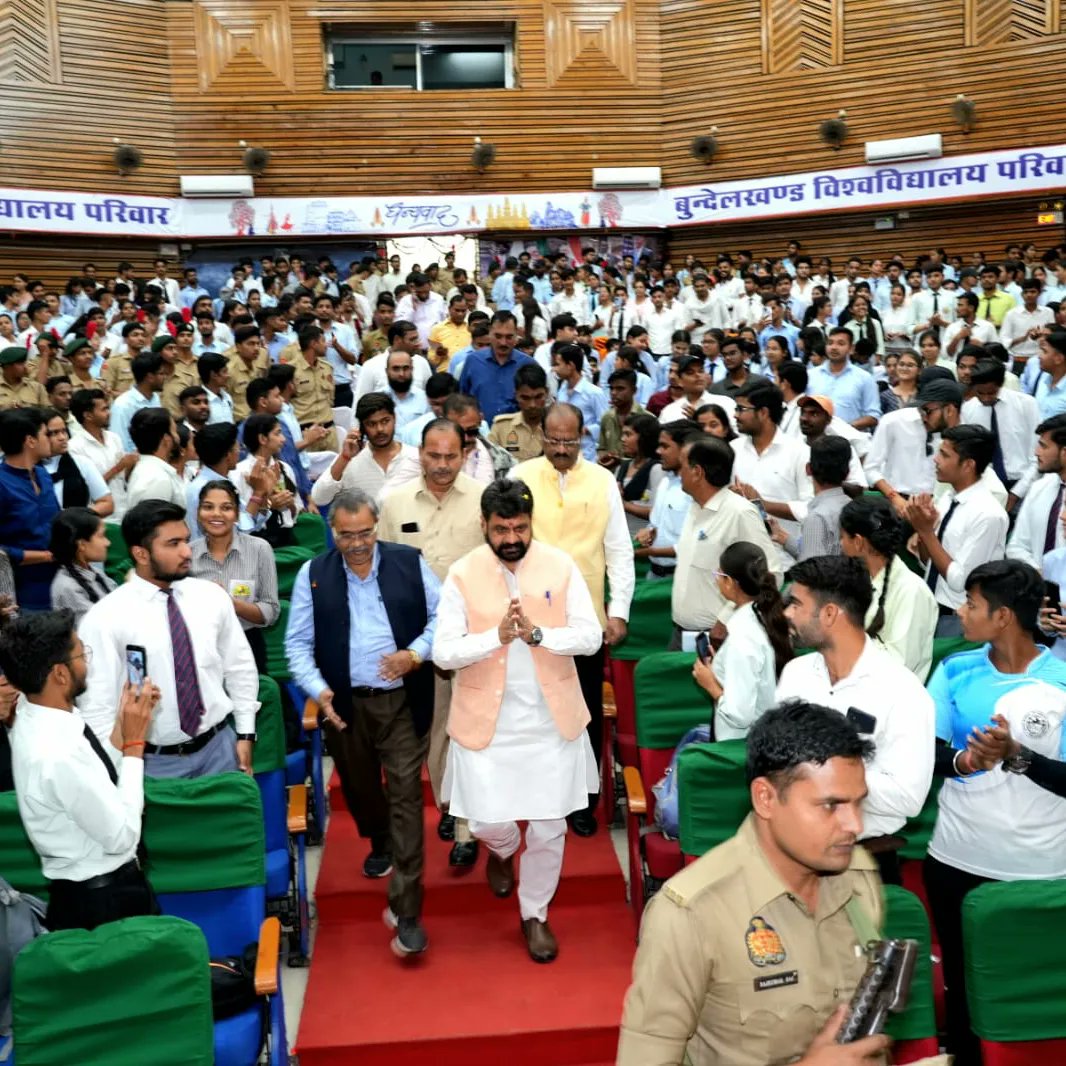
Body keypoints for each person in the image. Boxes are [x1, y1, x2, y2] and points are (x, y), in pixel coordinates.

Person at [617, 701, 888, 1066]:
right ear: (765, 798)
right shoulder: (690, 915)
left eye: (859, 804)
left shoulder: (858, 877)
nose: (855, 825)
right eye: (830, 805)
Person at [433, 479, 601, 962]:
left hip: (552, 722)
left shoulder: (560, 564)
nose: (512, 538)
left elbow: (590, 638)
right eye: (501, 528)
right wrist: (497, 637)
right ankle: (504, 851)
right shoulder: (463, 573)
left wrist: (539, 634)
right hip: (487, 723)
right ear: (483, 525)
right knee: (488, 821)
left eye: (520, 527)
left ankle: (535, 914)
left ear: (532, 524)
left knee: (550, 827)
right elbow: (444, 652)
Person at [285, 490, 440, 957]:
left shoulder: (409, 563)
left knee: (407, 799)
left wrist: (415, 655)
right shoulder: (313, 575)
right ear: (331, 532)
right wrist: (319, 690)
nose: (356, 544)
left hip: (401, 703)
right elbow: (296, 645)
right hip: (344, 708)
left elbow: (443, 616)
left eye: (365, 533)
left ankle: (408, 911)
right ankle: (380, 839)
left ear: (378, 527)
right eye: (346, 535)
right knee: (360, 790)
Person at [925, 559, 1066, 1065]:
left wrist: (1017, 758)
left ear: (1003, 616)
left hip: (1044, 870)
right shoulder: (954, 669)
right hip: (958, 860)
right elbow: (923, 751)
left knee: (1041, 997)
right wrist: (968, 759)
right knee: (965, 989)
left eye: (971, 603)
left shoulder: (1063, 680)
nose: (961, 612)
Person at [511, 403, 633, 836]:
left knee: (581, 714)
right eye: (553, 440)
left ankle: (582, 799)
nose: (561, 449)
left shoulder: (603, 481)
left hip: (585, 623)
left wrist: (618, 611)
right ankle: (535, 792)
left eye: (570, 441)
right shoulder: (519, 478)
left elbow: (619, 550)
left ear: (583, 437)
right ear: (541, 435)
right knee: (532, 709)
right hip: (530, 621)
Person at [776, 555, 935, 884]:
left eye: (796, 604)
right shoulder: (796, 674)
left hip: (861, 862)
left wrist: (822, 778)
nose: (786, 613)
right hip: (790, 852)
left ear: (830, 613)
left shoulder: (902, 691)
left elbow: (908, 797)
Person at [1, 610, 160, 930]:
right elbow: (121, 837)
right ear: (60, 674)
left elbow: (95, 780)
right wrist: (134, 745)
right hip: (105, 905)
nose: (87, 661)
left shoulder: (36, 715)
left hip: (84, 895)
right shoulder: (57, 752)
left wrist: (123, 726)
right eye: (81, 653)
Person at [77, 500, 260, 778]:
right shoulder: (105, 618)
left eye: (186, 540)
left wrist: (246, 732)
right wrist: (115, 771)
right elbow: (97, 707)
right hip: (150, 762)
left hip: (220, 748)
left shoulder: (211, 598)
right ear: (141, 553)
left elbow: (239, 666)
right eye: (173, 544)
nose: (187, 551)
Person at [378, 419, 486, 869]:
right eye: (433, 456)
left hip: (477, 639)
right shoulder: (393, 502)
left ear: (465, 454)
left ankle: (467, 824)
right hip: (419, 645)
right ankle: (452, 805)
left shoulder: (484, 499)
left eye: (451, 457)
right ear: (419, 453)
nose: (442, 466)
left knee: (475, 732)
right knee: (439, 730)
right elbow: (379, 574)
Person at [671, 435, 780, 646]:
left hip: (720, 637)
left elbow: (771, 573)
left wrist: (726, 619)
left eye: (682, 466)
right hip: (681, 633)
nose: (678, 472)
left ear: (697, 472)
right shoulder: (695, 508)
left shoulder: (739, 513)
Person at [907, 424, 1008, 637]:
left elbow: (960, 582)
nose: (936, 459)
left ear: (968, 465)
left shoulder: (988, 514)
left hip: (958, 619)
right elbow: (928, 563)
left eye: (944, 454)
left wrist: (926, 532)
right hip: (932, 607)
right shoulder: (947, 499)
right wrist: (924, 530)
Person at [692, 542, 792, 740]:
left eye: (718, 575)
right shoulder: (767, 615)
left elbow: (739, 714)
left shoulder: (743, 637)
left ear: (729, 582)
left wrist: (710, 683)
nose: (717, 580)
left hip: (741, 742)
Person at [840, 496, 939, 682]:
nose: (840, 545)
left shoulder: (912, 591)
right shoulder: (855, 579)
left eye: (842, 537)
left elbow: (899, 665)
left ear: (859, 542)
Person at [190, 480, 279, 674]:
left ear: (237, 514)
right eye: (208, 507)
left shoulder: (259, 549)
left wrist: (230, 603)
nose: (216, 514)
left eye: (226, 508)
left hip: (248, 644)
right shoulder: (188, 554)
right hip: (200, 648)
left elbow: (271, 611)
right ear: (198, 513)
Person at [730, 379, 813, 568]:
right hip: (743, 564)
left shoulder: (799, 453)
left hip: (784, 562)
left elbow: (810, 509)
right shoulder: (733, 450)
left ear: (764, 413)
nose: (735, 415)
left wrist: (762, 504)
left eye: (741, 409)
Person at [311, 392, 422, 506]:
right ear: (362, 427)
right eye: (371, 424)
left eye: (385, 421)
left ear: (394, 418)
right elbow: (319, 498)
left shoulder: (416, 457)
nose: (380, 429)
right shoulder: (348, 460)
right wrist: (344, 458)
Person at [0, 407, 59, 611]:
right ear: (30, 441)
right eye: (46, 434)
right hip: (19, 594)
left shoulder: (43, 475)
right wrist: (43, 556)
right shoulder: (2, 483)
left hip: (58, 585)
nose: (50, 439)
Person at [960, 358, 1039, 502]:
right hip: (988, 487)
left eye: (991, 393)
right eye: (980, 393)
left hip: (1024, 483)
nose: (985, 398)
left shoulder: (1027, 405)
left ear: (1001, 384)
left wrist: (1016, 494)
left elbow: (1037, 456)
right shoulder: (968, 409)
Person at [769, 434, 850, 561]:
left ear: (808, 469)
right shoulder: (850, 506)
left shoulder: (817, 517)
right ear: (847, 473)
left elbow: (812, 572)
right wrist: (785, 539)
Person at [635, 420, 696, 579]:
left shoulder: (696, 490)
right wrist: (647, 532)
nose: (658, 451)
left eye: (665, 446)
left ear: (685, 449)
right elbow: (655, 524)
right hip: (654, 573)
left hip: (680, 576)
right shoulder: (665, 482)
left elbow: (697, 544)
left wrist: (651, 552)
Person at [232, 415, 303, 547]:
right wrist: (270, 504)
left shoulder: (284, 468)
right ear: (263, 438)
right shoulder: (239, 473)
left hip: (285, 538)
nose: (283, 439)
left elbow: (296, 511)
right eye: (278, 433)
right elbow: (242, 519)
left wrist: (290, 504)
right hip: (255, 541)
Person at [1007, 413, 1066, 566]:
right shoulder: (1039, 488)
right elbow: (1016, 547)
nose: (1036, 452)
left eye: (1044, 446)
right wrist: (1040, 575)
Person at [458, 311, 535, 423]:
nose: (503, 342)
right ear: (489, 333)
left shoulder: (528, 365)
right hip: (480, 434)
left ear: (516, 335)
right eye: (498, 336)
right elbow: (462, 399)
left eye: (509, 337)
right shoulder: (473, 361)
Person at [68, 388, 134, 519]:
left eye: (108, 408)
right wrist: (118, 467)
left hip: (124, 509)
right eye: (103, 409)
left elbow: (123, 478)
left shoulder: (114, 438)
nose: (109, 413)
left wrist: (131, 465)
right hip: (100, 517)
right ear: (88, 415)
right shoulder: (74, 447)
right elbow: (87, 487)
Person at [41, 408, 114, 516]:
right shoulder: (29, 467)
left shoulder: (81, 462)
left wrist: (76, 516)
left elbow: (107, 503)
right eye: (54, 433)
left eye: (64, 431)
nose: (62, 438)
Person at [49, 508, 117, 623]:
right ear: (81, 545)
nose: (108, 543)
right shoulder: (67, 587)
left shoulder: (96, 573)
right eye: (102, 536)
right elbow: (100, 625)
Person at [807, 327, 881, 430]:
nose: (834, 347)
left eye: (840, 344)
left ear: (851, 349)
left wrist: (845, 429)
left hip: (849, 441)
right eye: (830, 343)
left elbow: (873, 416)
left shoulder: (864, 378)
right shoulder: (811, 375)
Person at [488, 362, 548, 462]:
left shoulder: (558, 428)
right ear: (516, 395)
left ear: (547, 393)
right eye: (525, 398)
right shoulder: (501, 427)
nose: (532, 405)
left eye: (538, 397)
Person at [615, 413, 662, 537]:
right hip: (620, 537)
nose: (623, 439)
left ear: (644, 438)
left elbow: (657, 512)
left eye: (628, 434)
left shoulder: (657, 469)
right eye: (623, 434)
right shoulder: (622, 467)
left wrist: (623, 504)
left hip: (641, 539)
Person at [0, 345, 48, 411]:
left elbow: (48, 413)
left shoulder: (37, 387)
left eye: (25, 362)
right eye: (20, 363)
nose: (25, 367)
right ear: (8, 366)